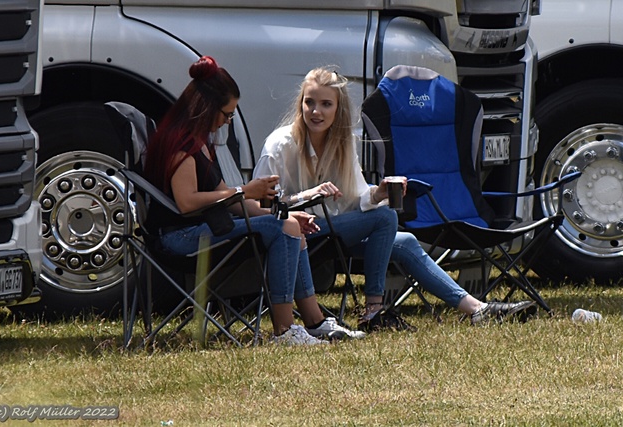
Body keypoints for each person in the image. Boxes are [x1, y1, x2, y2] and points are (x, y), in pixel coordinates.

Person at [253, 66, 535, 330]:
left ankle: (477, 309)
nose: (316, 111)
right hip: (293, 234)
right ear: (300, 103)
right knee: (386, 216)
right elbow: (260, 205)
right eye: (309, 102)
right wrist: (306, 196)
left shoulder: (343, 143)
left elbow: (356, 199)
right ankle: (374, 311)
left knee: (405, 240)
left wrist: (380, 192)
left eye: (326, 104)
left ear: (338, 109)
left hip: (331, 231)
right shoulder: (280, 145)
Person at [143, 57, 365, 345]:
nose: (228, 121)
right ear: (206, 108)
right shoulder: (182, 144)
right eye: (226, 114)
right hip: (179, 239)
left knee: (287, 226)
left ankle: (315, 322)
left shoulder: (200, 141)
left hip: (203, 229)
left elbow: (229, 199)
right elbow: (188, 202)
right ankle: (285, 331)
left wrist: (278, 215)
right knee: (283, 229)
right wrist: (246, 191)